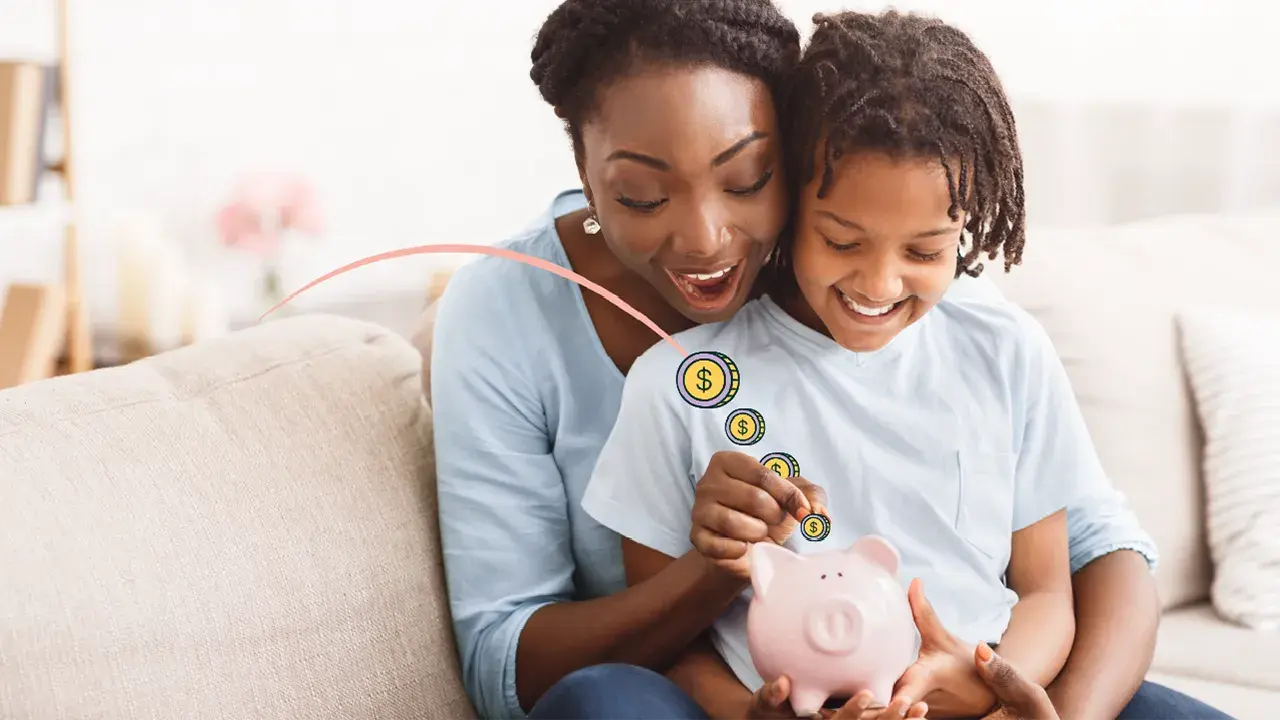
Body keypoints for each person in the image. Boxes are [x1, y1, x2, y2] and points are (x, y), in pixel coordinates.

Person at [427, 1, 1235, 719]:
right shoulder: (548, 332)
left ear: (794, 150)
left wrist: (1013, 694)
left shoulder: (969, 327)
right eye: (642, 195)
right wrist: (720, 582)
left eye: (748, 178)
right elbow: (513, 655)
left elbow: (1079, 556)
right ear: (583, 172)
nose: (706, 239)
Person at [580, 9, 1096, 718]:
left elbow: (1047, 594)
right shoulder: (678, 386)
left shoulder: (1005, 349)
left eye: (924, 252)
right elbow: (670, 641)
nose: (879, 285)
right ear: (789, 197)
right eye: (842, 241)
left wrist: (993, 684)